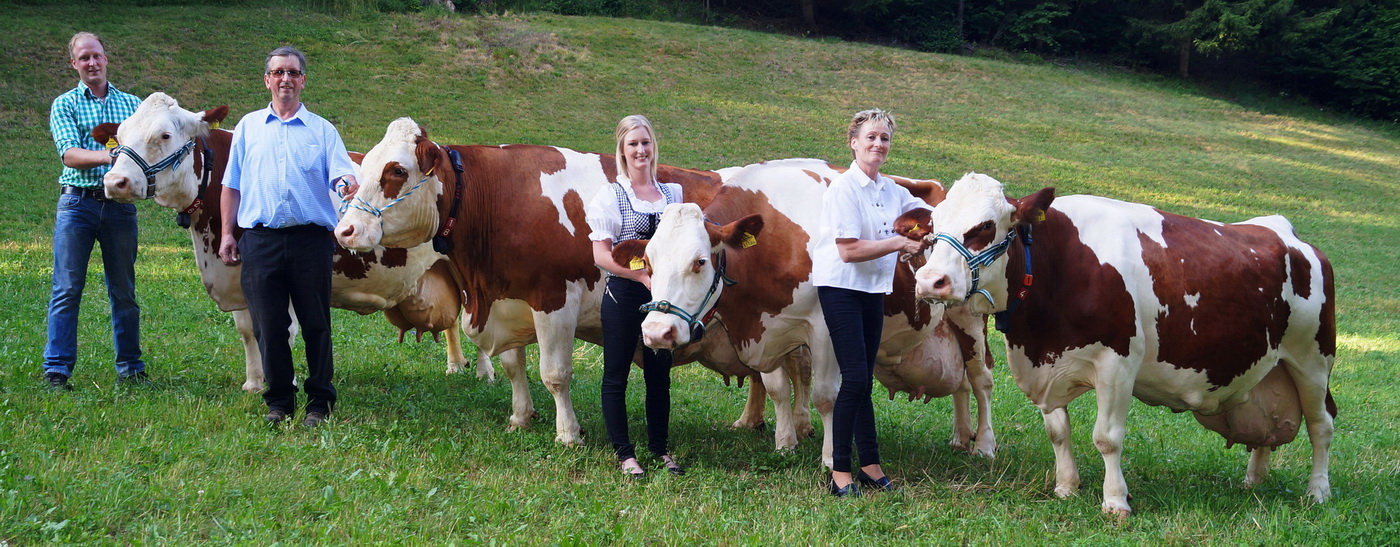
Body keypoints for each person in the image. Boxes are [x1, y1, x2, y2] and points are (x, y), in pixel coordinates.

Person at [217, 46, 358, 427]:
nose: (285, 79)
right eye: (278, 72)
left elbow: (342, 174)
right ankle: (279, 402)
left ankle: (319, 403)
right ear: (267, 80)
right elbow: (232, 186)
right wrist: (228, 233)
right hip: (259, 241)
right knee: (268, 326)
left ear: (302, 81)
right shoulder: (247, 128)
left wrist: (346, 184)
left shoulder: (322, 130)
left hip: (309, 241)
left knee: (315, 323)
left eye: (292, 73)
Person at [812, 109, 929, 497]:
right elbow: (847, 251)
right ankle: (839, 472)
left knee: (862, 378)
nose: (878, 144)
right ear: (854, 142)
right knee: (857, 377)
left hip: (872, 289)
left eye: (885, 139)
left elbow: (926, 215)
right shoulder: (843, 188)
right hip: (841, 286)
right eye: (871, 137)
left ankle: (870, 464)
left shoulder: (891, 191)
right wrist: (899, 242)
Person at [43, 32, 147, 391]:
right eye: (84, 58)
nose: (92, 63)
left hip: (119, 208)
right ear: (75, 64)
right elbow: (70, 154)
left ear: (106, 59)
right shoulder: (65, 104)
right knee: (67, 288)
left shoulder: (133, 105)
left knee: (124, 291)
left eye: (96, 56)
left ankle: (131, 368)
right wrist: (114, 157)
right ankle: (57, 369)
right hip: (77, 204)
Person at [586, 115, 686, 479]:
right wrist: (641, 276)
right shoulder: (611, 195)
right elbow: (600, 255)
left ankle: (660, 449)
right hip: (625, 294)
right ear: (622, 151)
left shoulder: (673, 195)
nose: (641, 150)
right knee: (616, 374)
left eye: (645, 142)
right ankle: (625, 453)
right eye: (633, 144)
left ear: (653, 146)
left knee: (660, 375)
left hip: (664, 298)